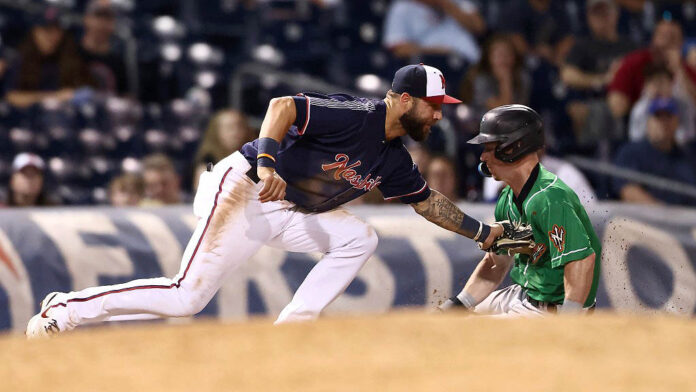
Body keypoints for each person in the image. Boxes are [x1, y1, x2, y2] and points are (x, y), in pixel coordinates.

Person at [27, 64, 527, 337]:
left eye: (441, 108)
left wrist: (484, 234)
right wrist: (267, 163)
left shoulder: (394, 159)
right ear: (402, 99)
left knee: (360, 236)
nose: (438, 116)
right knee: (186, 298)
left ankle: (292, 331)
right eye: (432, 105)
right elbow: (281, 107)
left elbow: (426, 202)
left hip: (289, 211)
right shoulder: (358, 115)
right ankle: (63, 310)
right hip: (242, 186)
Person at [439, 105, 601, 316]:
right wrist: (459, 304)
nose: (482, 157)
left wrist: (567, 324)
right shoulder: (507, 199)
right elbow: (496, 263)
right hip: (526, 294)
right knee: (454, 321)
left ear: (513, 148)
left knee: (470, 334)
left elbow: (581, 260)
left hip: (555, 308)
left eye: (489, 148)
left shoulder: (550, 198)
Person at [561, 0, 637, 146]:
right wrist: (602, 79)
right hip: (593, 100)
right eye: (596, 14)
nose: (602, 18)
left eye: (606, 13)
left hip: (626, 100)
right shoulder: (582, 46)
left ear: (616, 14)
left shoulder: (629, 46)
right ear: (589, 18)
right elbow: (568, 75)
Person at [5, 6, 94, 108]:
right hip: (23, 119)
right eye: (47, 30)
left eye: (57, 30)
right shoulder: (20, 58)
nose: (52, 36)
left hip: (61, 118)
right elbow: (11, 97)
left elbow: (85, 91)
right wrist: (53, 96)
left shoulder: (69, 58)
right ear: (35, 31)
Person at [613, 97, 696, 206]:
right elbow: (628, 191)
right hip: (643, 219)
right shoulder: (631, 152)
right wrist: (666, 215)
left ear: (677, 122)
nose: (664, 123)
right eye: (658, 117)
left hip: (687, 219)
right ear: (648, 122)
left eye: (669, 117)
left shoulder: (688, 157)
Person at [608, 20, 696, 119]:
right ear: (653, 39)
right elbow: (617, 108)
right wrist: (649, 100)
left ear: (681, 43)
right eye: (663, 36)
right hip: (639, 126)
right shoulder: (633, 63)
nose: (666, 42)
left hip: (681, 128)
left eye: (673, 37)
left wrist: (680, 71)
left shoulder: (686, 69)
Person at [382, 0, 485, 62]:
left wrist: (446, 5)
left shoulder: (456, 2)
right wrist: (438, 53)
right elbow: (399, 49)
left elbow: (479, 28)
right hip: (432, 69)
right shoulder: (402, 8)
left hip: (471, 64)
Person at [460, 34, 531, 119]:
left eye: (508, 54)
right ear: (489, 58)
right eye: (499, 55)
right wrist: (505, 82)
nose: (504, 59)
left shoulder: (523, 77)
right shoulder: (481, 80)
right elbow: (502, 113)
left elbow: (518, 112)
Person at [628, 65, 695, 146]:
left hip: (678, 149)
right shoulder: (640, 109)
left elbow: (689, 134)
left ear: (671, 84)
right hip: (650, 149)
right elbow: (636, 138)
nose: (658, 88)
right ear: (646, 86)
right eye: (653, 83)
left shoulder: (683, 103)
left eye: (662, 82)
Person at [193, 109, 255, 190]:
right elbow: (203, 194)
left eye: (240, 127)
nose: (236, 132)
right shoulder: (208, 164)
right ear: (215, 132)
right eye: (230, 128)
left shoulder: (256, 162)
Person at [79, 0, 129, 96]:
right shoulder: (71, 53)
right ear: (86, 19)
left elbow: (126, 97)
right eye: (98, 16)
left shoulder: (117, 62)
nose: (102, 23)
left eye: (108, 18)